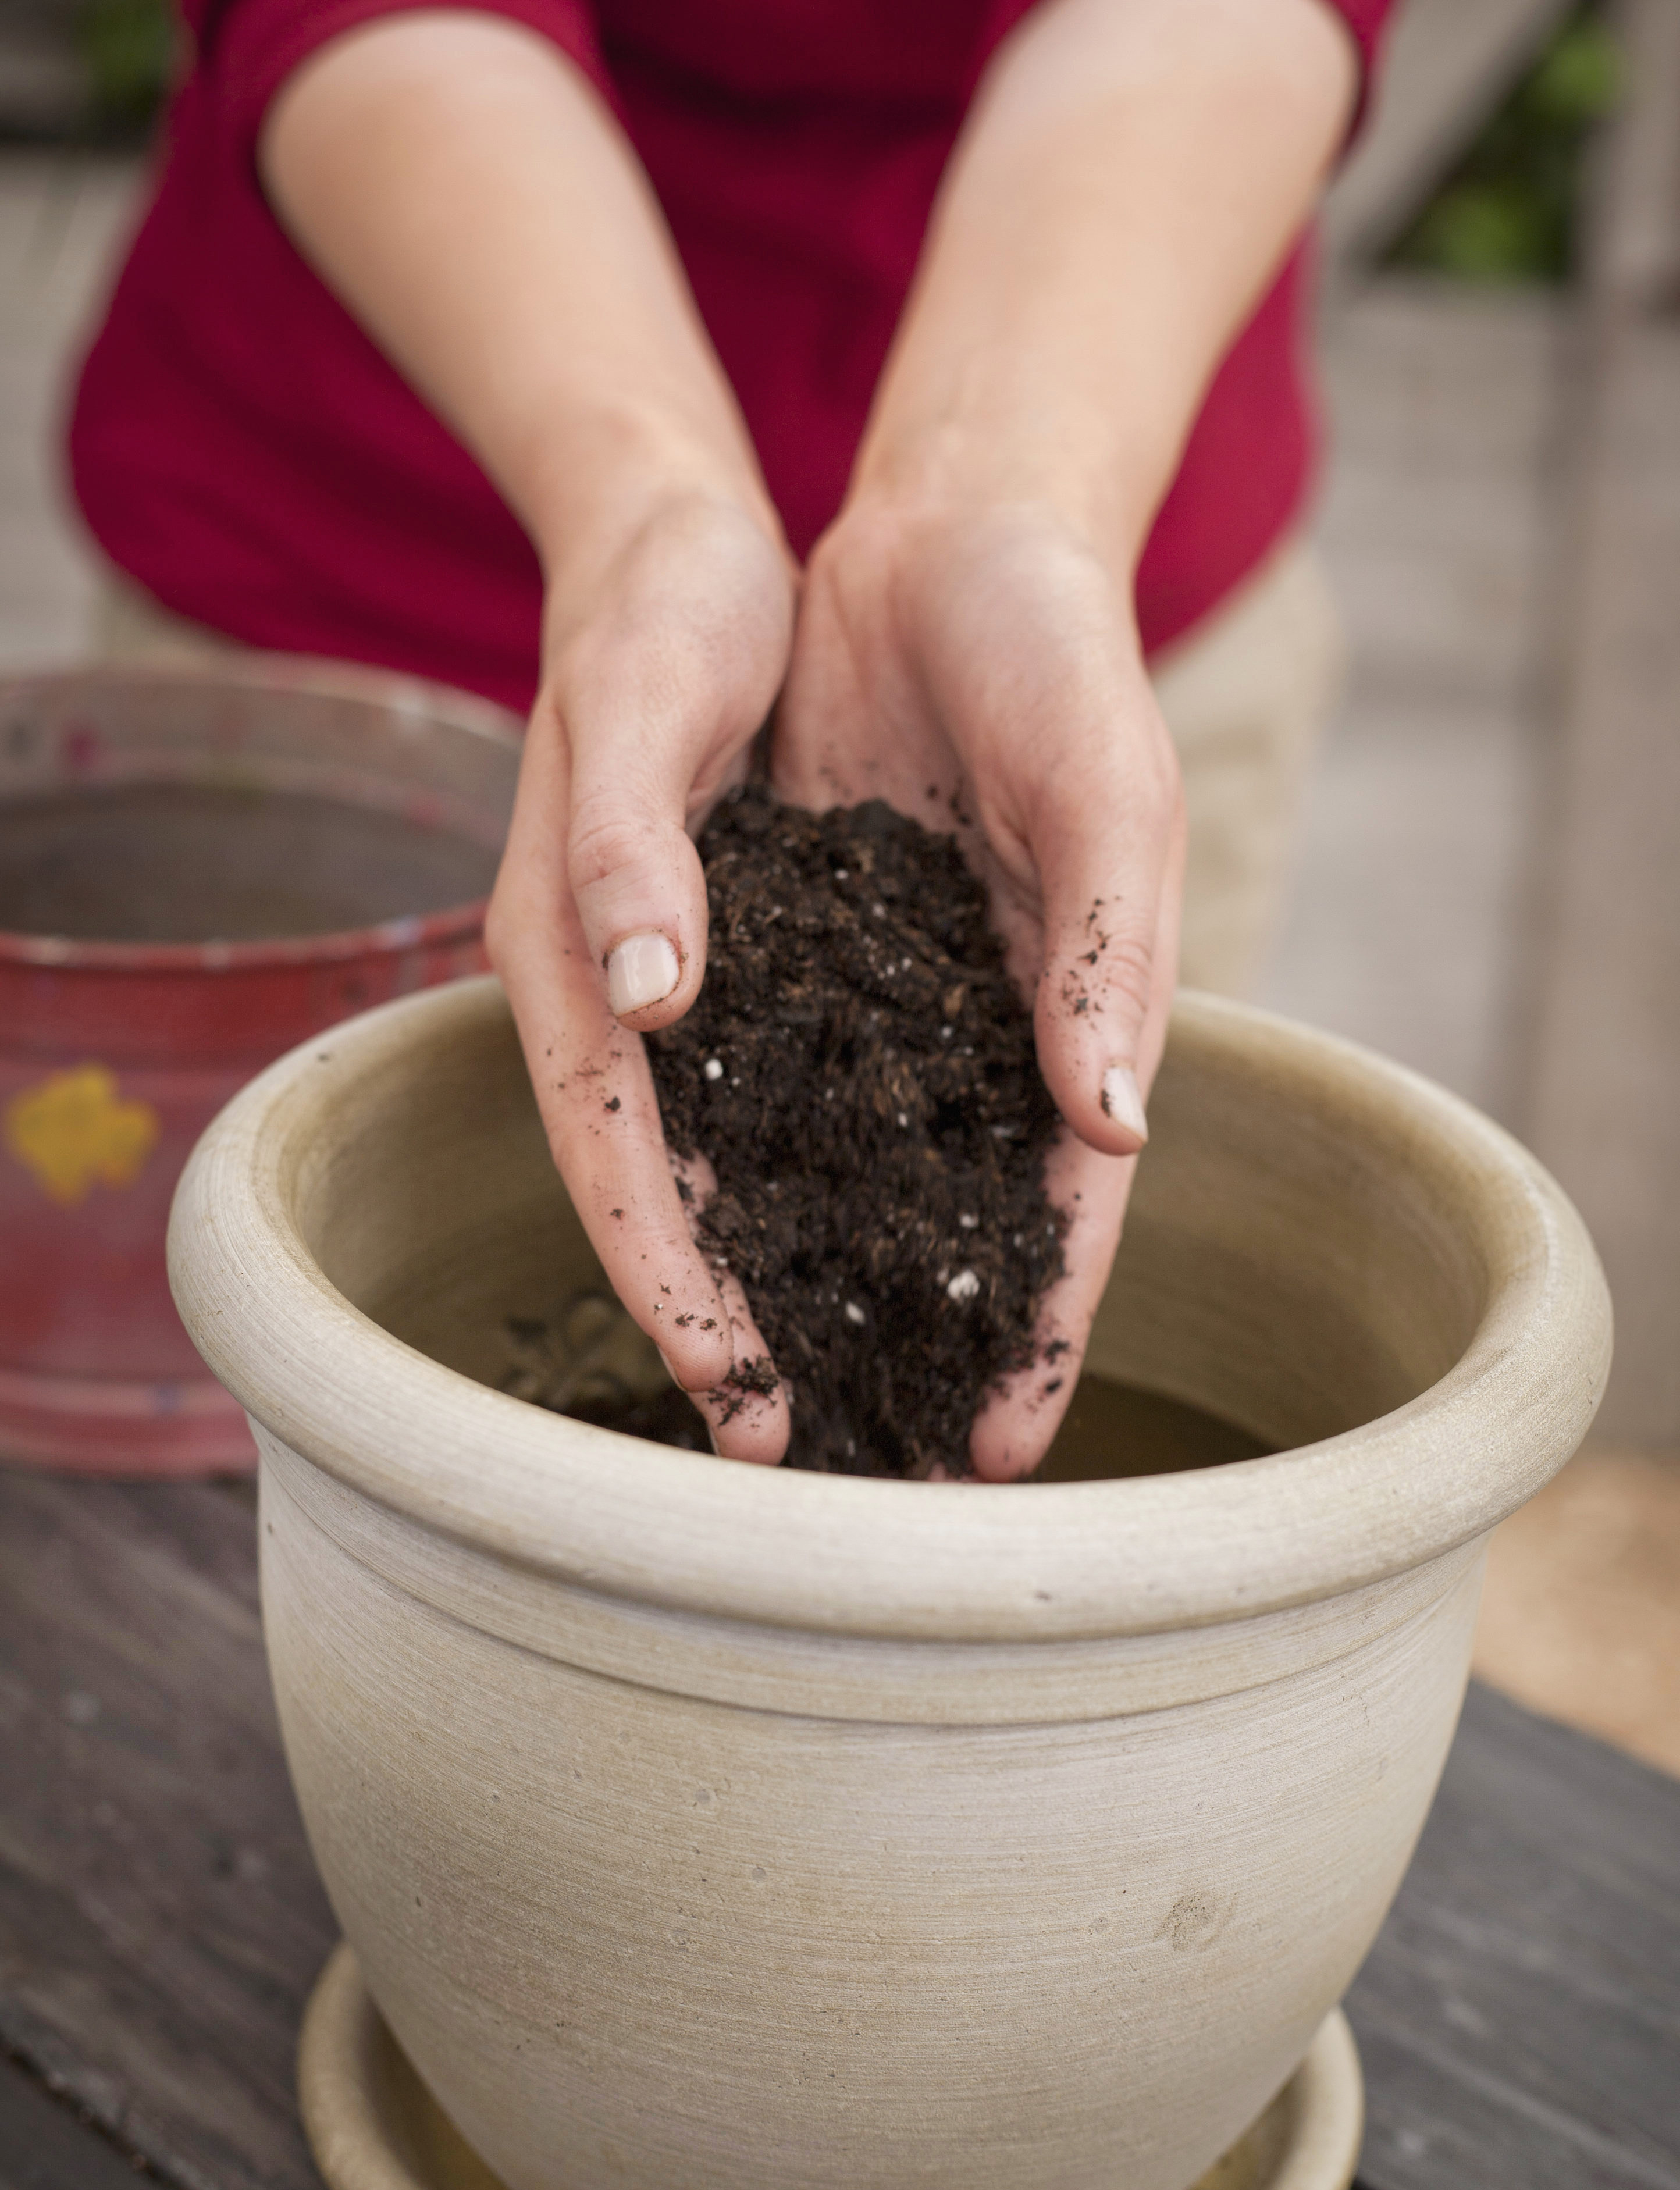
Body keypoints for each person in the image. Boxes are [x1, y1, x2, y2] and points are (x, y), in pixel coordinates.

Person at [70, 0, 1389, 1475]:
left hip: (1075, 529)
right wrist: (644, 506)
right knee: (208, 1437)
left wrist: (1006, 497)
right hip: (347, 589)